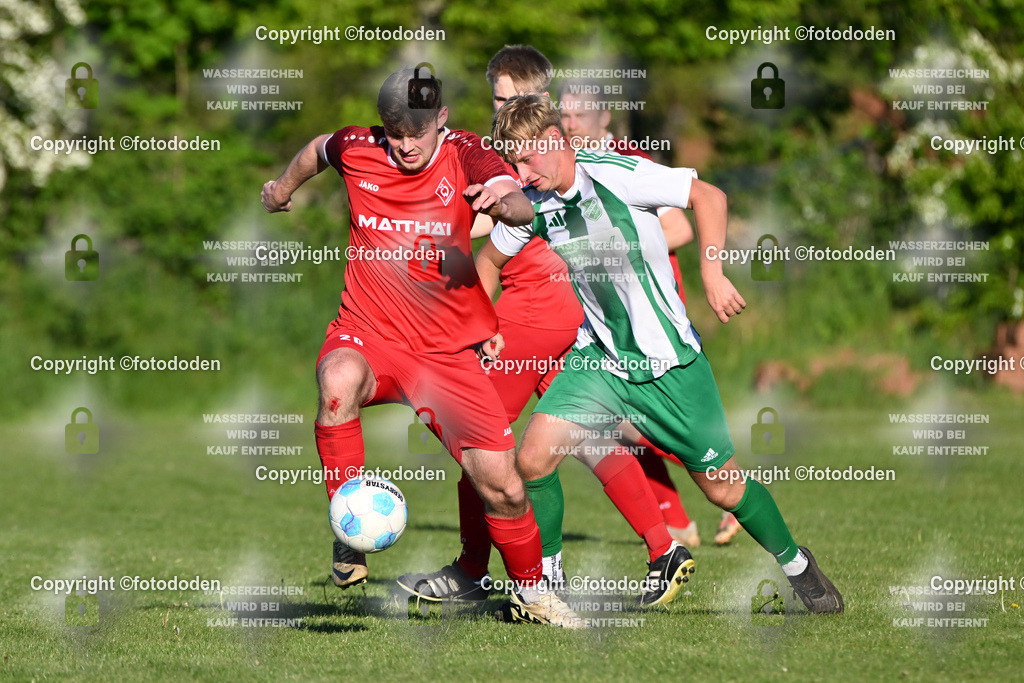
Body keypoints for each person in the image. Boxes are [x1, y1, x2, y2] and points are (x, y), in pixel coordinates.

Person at [475, 93, 843, 612]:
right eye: (512, 163)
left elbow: (709, 197)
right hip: (599, 361)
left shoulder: (620, 174)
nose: (521, 171)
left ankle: (797, 565)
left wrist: (712, 273)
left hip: (672, 367)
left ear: (555, 141)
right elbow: (487, 261)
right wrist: (483, 325)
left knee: (724, 490)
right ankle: (545, 586)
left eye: (527, 158)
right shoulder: (532, 203)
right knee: (533, 458)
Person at [260, 67, 582, 628]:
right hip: (371, 334)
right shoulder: (360, 146)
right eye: (396, 132)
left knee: (502, 486)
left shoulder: (467, 154)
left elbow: (517, 200)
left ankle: (534, 595)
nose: (406, 145)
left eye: (418, 132)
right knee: (337, 380)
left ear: (442, 121)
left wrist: (504, 201)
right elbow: (317, 149)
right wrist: (282, 188)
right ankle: (348, 532)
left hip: (444, 355)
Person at [397, 46, 693, 605]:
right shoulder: (515, 150)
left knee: (475, 434)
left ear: (542, 101)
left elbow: (502, 218)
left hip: (535, 311)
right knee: (583, 436)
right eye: (497, 99)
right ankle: (664, 547)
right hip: (558, 313)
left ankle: (473, 569)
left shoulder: (533, 152)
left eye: (513, 99)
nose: (501, 110)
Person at [559, 80, 743, 546]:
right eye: (563, 113)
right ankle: (679, 521)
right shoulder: (563, 168)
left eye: (580, 113)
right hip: (610, 319)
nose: (570, 122)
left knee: (637, 422)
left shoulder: (628, 160)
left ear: (604, 119)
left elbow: (680, 224)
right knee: (621, 423)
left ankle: (727, 486)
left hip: (651, 319)